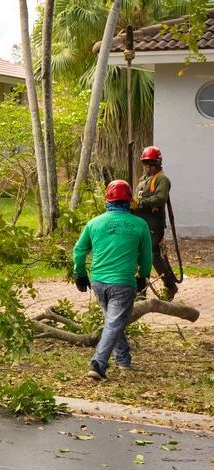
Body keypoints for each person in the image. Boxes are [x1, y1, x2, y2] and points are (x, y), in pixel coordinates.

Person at [72, 179, 153, 381]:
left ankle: (123, 359)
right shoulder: (140, 224)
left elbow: (79, 251)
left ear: (107, 199)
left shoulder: (94, 223)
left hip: (98, 282)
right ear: (129, 201)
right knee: (114, 323)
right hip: (123, 283)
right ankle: (98, 364)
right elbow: (146, 256)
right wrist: (143, 276)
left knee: (113, 322)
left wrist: (80, 273)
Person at [131, 145, 179, 299]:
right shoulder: (143, 180)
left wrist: (140, 203)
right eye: (145, 163)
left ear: (158, 163)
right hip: (140, 223)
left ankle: (170, 286)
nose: (148, 166)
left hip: (154, 225)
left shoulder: (162, 179)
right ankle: (141, 290)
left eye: (151, 163)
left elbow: (160, 198)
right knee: (139, 255)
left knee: (153, 256)